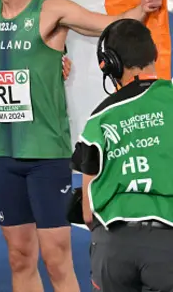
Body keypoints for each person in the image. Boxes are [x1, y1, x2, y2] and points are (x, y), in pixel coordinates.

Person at [0, 0, 164, 292]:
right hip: (4, 155)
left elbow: (108, 27)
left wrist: (142, 7)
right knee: (19, 257)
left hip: (45, 155)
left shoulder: (51, 9)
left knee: (56, 259)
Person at [71, 18, 173, 292]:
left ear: (110, 65)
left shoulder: (98, 119)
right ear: (155, 54)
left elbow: (88, 212)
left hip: (114, 245)